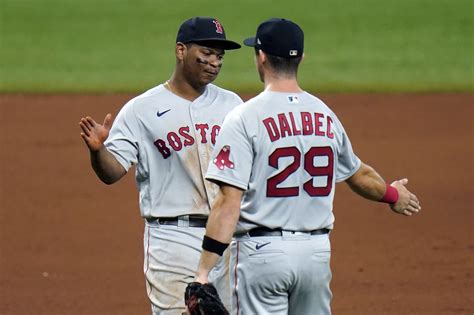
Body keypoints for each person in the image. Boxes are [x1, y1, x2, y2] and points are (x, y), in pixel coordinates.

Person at [193, 18, 422, 315]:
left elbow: (228, 201)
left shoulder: (244, 118)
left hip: (262, 257)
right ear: (300, 58)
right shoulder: (325, 115)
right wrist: (393, 195)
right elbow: (358, 173)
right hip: (315, 256)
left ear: (261, 57)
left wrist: (203, 271)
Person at [79, 16, 242, 314]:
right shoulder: (141, 109)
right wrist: (98, 151)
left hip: (225, 236)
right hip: (171, 239)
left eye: (219, 56)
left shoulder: (233, 105)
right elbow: (112, 171)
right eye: (205, 53)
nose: (214, 62)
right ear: (181, 50)